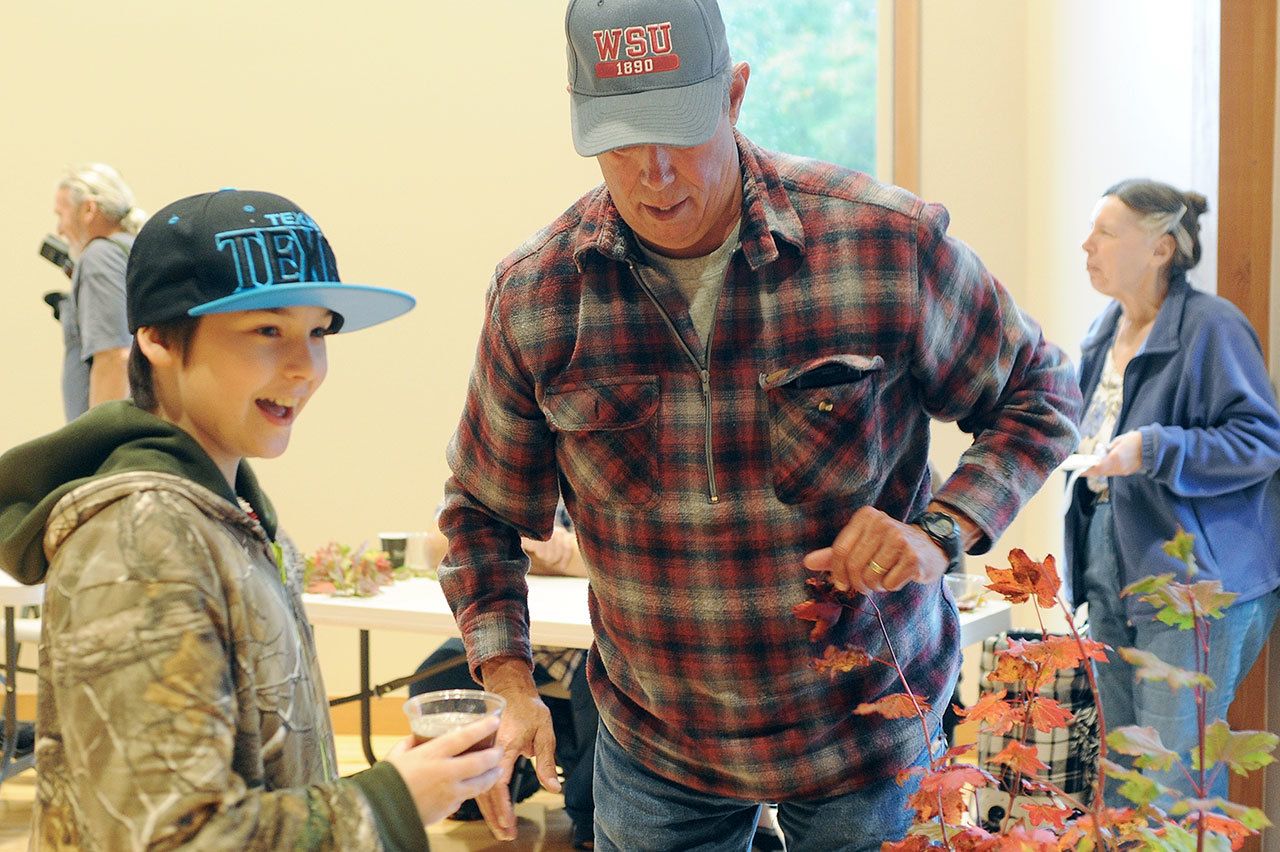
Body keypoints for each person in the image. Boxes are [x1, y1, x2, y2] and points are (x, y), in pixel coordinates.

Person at [437, 1, 1082, 848]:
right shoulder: (540, 296)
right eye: (622, 142)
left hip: (866, 732)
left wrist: (939, 530)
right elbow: (480, 512)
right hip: (657, 742)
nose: (654, 174)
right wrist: (510, 681)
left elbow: (1041, 391)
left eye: (679, 131)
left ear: (735, 95)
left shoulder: (880, 244)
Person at [0, 188, 503, 850]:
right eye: (267, 330)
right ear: (154, 338)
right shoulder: (140, 540)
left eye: (318, 331)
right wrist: (389, 803)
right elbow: (174, 839)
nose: (304, 367)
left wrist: (410, 779)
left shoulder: (218, 509)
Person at [1065, 179, 1280, 807]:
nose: (1087, 245)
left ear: (1161, 248)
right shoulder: (1103, 332)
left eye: (1105, 233)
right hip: (1109, 568)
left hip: (1191, 585)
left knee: (1171, 783)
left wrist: (1157, 449)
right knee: (1124, 775)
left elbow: (1262, 441)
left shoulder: (1212, 327)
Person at [412, 503, 598, 849]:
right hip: (503, 627)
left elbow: (630, 560)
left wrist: (565, 552)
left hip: (578, 638)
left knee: (601, 684)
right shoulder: (498, 468)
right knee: (433, 681)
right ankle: (471, 791)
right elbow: (438, 544)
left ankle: (592, 817)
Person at [51, 163, 144, 421]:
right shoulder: (133, 250)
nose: (59, 229)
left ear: (89, 209)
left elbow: (115, 356)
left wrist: (99, 444)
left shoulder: (99, 256)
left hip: (109, 442)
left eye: (61, 215)